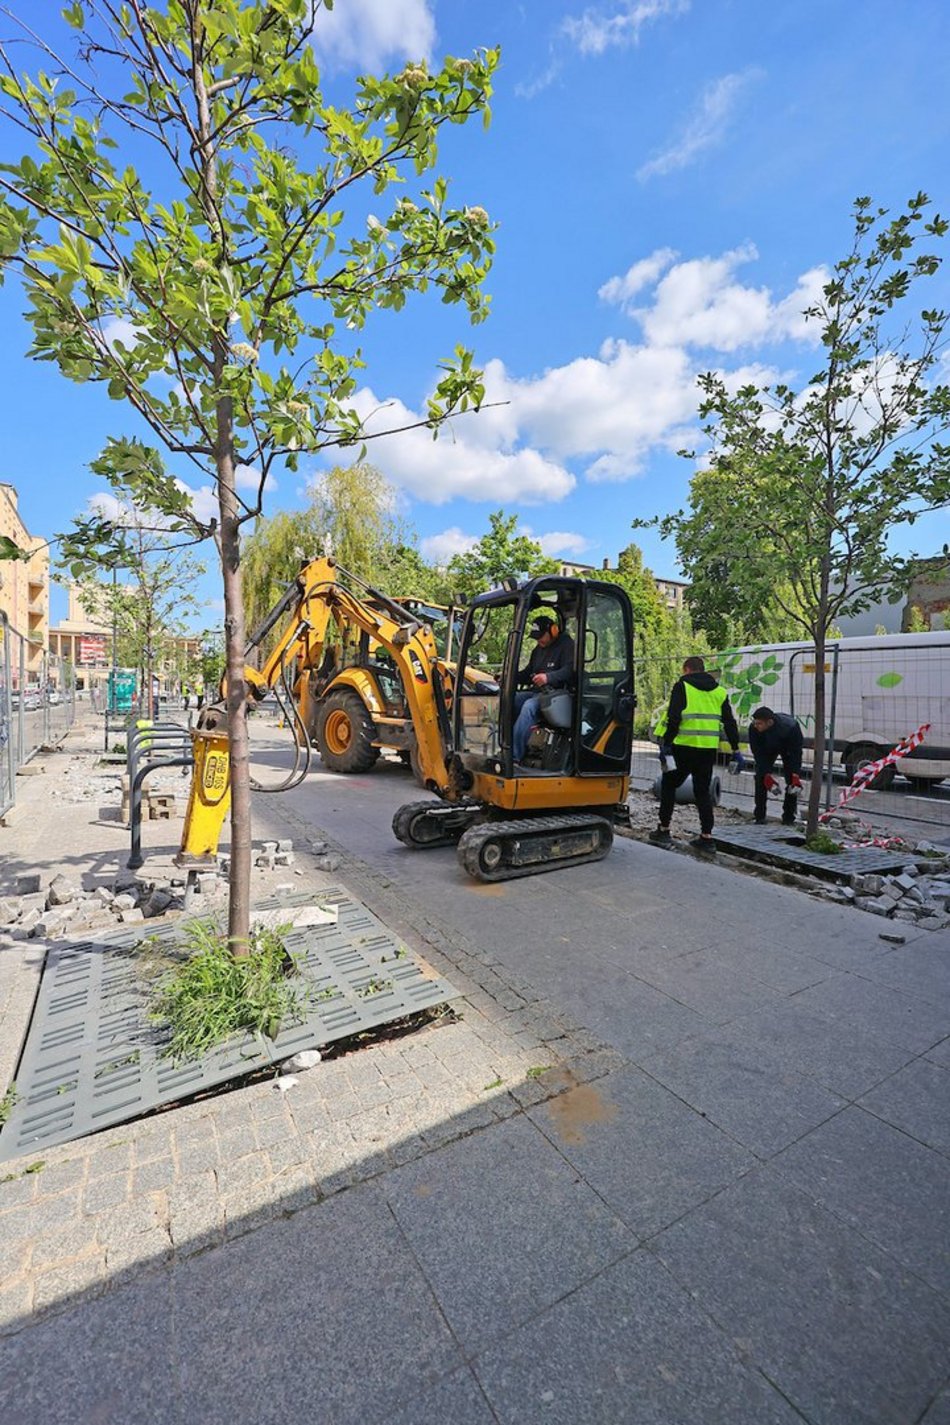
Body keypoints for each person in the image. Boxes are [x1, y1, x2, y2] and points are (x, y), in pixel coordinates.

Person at [650, 656, 743, 853]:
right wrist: (736, 749)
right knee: (702, 791)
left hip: (682, 747)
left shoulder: (682, 686)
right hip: (707, 750)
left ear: (687, 669)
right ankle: (707, 837)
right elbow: (729, 722)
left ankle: (663, 829)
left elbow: (674, 717)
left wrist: (666, 745)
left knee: (669, 784)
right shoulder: (719, 692)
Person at [512, 614, 575, 764]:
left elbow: (569, 670)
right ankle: (508, 745)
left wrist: (548, 677)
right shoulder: (538, 650)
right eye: (536, 637)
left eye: (541, 636)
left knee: (529, 707)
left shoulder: (566, 645)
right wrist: (510, 677)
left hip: (557, 695)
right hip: (538, 692)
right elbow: (528, 673)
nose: (538, 640)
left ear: (553, 630)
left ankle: (514, 756)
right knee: (511, 699)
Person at [748, 706, 804, 825]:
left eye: (759, 723)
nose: (756, 726)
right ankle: (759, 816)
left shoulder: (790, 727)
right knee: (761, 778)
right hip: (767, 749)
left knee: (791, 782)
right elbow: (757, 752)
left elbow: (796, 752)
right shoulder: (754, 729)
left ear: (769, 722)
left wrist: (795, 773)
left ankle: (788, 817)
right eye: (755, 723)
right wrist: (766, 773)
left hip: (788, 746)